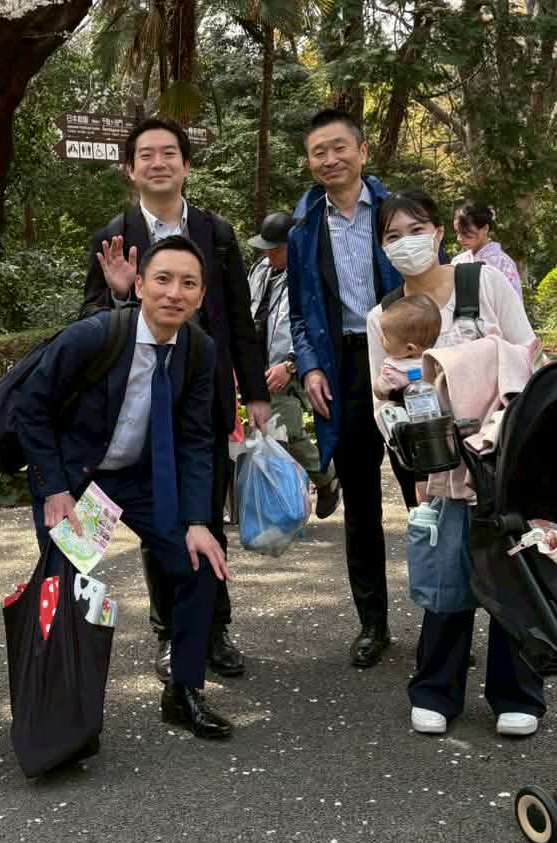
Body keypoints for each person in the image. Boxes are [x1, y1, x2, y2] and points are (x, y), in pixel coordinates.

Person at [82, 118, 270, 681]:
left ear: (186, 165)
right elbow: (88, 323)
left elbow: (238, 319)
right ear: (130, 169)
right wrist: (120, 293)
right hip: (138, 407)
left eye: (169, 153)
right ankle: (169, 633)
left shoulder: (217, 233)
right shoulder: (113, 236)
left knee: (204, 514)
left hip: (203, 404)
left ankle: (215, 628)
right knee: (158, 523)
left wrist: (255, 394)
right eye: (146, 155)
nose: (158, 162)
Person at [23, 236, 233, 739]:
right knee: (64, 587)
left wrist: (198, 521)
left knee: (201, 562)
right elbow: (31, 407)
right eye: (163, 279)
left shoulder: (198, 349)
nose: (174, 293)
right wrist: (55, 490)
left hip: (140, 478)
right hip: (78, 480)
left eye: (188, 283)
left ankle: (184, 690)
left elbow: (196, 439)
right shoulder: (95, 336)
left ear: (201, 296)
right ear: (139, 286)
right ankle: (58, 711)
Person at [366, 190, 546, 738]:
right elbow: (380, 398)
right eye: (392, 236)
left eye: (415, 230)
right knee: (446, 574)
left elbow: (528, 353)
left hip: (503, 457)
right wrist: (407, 437)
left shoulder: (483, 283)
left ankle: (517, 692)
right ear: (381, 246)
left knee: (513, 571)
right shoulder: (383, 316)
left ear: (439, 231)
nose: (406, 243)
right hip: (439, 466)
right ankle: (435, 690)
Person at [287, 108, 407, 669]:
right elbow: (300, 313)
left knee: (430, 493)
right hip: (344, 367)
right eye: (319, 152)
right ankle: (373, 623)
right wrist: (310, 367)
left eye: (340, 148)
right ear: (310, 162)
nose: (330, 159)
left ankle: (447, 621)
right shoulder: (304, 229)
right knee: (361, 502)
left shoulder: (397, 214)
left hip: (406, 359)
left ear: (362, 151)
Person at [246, 210, 340, 518]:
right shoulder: (260, 270)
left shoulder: (310, 275)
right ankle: (288, 498)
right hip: (256, 366)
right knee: (266, 433)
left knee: (285, 430)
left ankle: (325, 479)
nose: (269, 255)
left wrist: (291, 364)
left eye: (276, 249)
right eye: (266, 249)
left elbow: (314, 326)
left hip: (289, 365)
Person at [372, 293, 442, 399]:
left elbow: (380, 392)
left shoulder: (392, 372)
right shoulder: (437, 363)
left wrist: (378, 385)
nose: (381, 338)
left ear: (409, 348)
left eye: (386, 337)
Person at [453, 200, 522, 298]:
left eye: (466, 233)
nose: (459, 238)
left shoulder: (504, 264)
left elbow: (514, 304)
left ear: (485, 228)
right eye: (457, 232)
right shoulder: (457, 262)